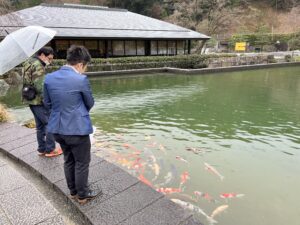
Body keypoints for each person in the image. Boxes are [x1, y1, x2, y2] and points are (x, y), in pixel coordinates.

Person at [43, 45, 102, 205]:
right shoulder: (80, 79)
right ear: (80, 64)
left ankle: (73, 191)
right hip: (77, 128)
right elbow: (89, 103)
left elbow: (47, 104)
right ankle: (83, 195)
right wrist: (78, 114)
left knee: (68, 159)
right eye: (85, 66)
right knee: (82, 162)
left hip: (57, 129)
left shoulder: (49, 78)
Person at [22, 47, 62, 157]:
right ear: (43, 55)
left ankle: (42, 149)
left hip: (29, 97)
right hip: (39, 100)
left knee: (40, 126)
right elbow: (41, 87)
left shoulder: (28, 62)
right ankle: (50, 149)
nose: (50, 61)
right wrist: (49, 102)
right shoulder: (38, 65)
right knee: (50, 123)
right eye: (49, 58)